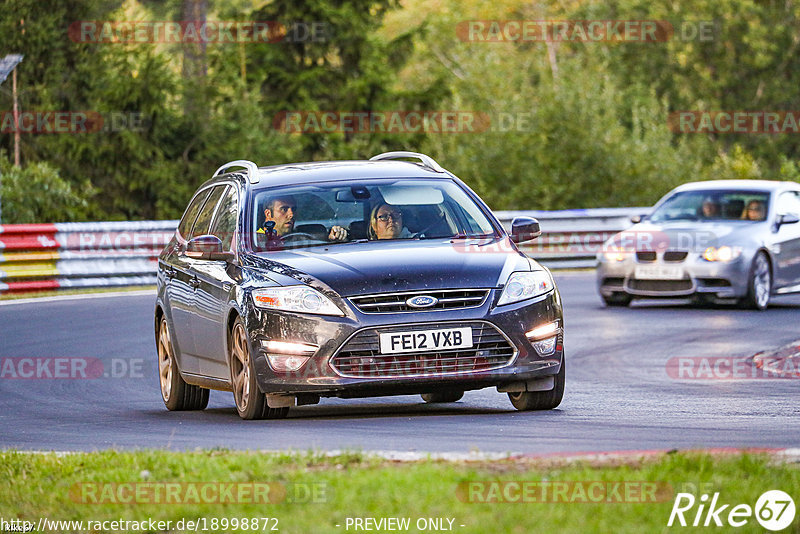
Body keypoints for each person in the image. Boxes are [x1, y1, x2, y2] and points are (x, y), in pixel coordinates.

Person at [257, 195, 348, 241]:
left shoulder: (302, 238)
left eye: (294, 209)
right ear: (268, 214)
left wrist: (333, 237)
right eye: (284, 209)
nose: (291, 214)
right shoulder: (255, 241)